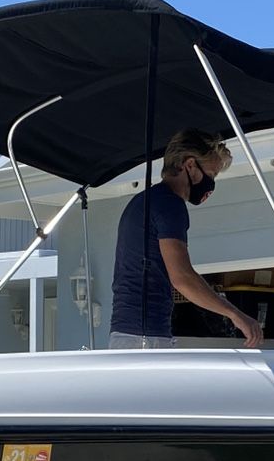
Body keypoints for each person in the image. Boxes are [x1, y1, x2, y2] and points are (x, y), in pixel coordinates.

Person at [107, 129, 263, 349]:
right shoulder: (170, 205)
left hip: (129, 331)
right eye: (211, 175)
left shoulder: (142, 201)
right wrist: (235, 315)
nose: (211, 184)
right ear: (190, 165)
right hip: (144, 337)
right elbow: (182, 278)